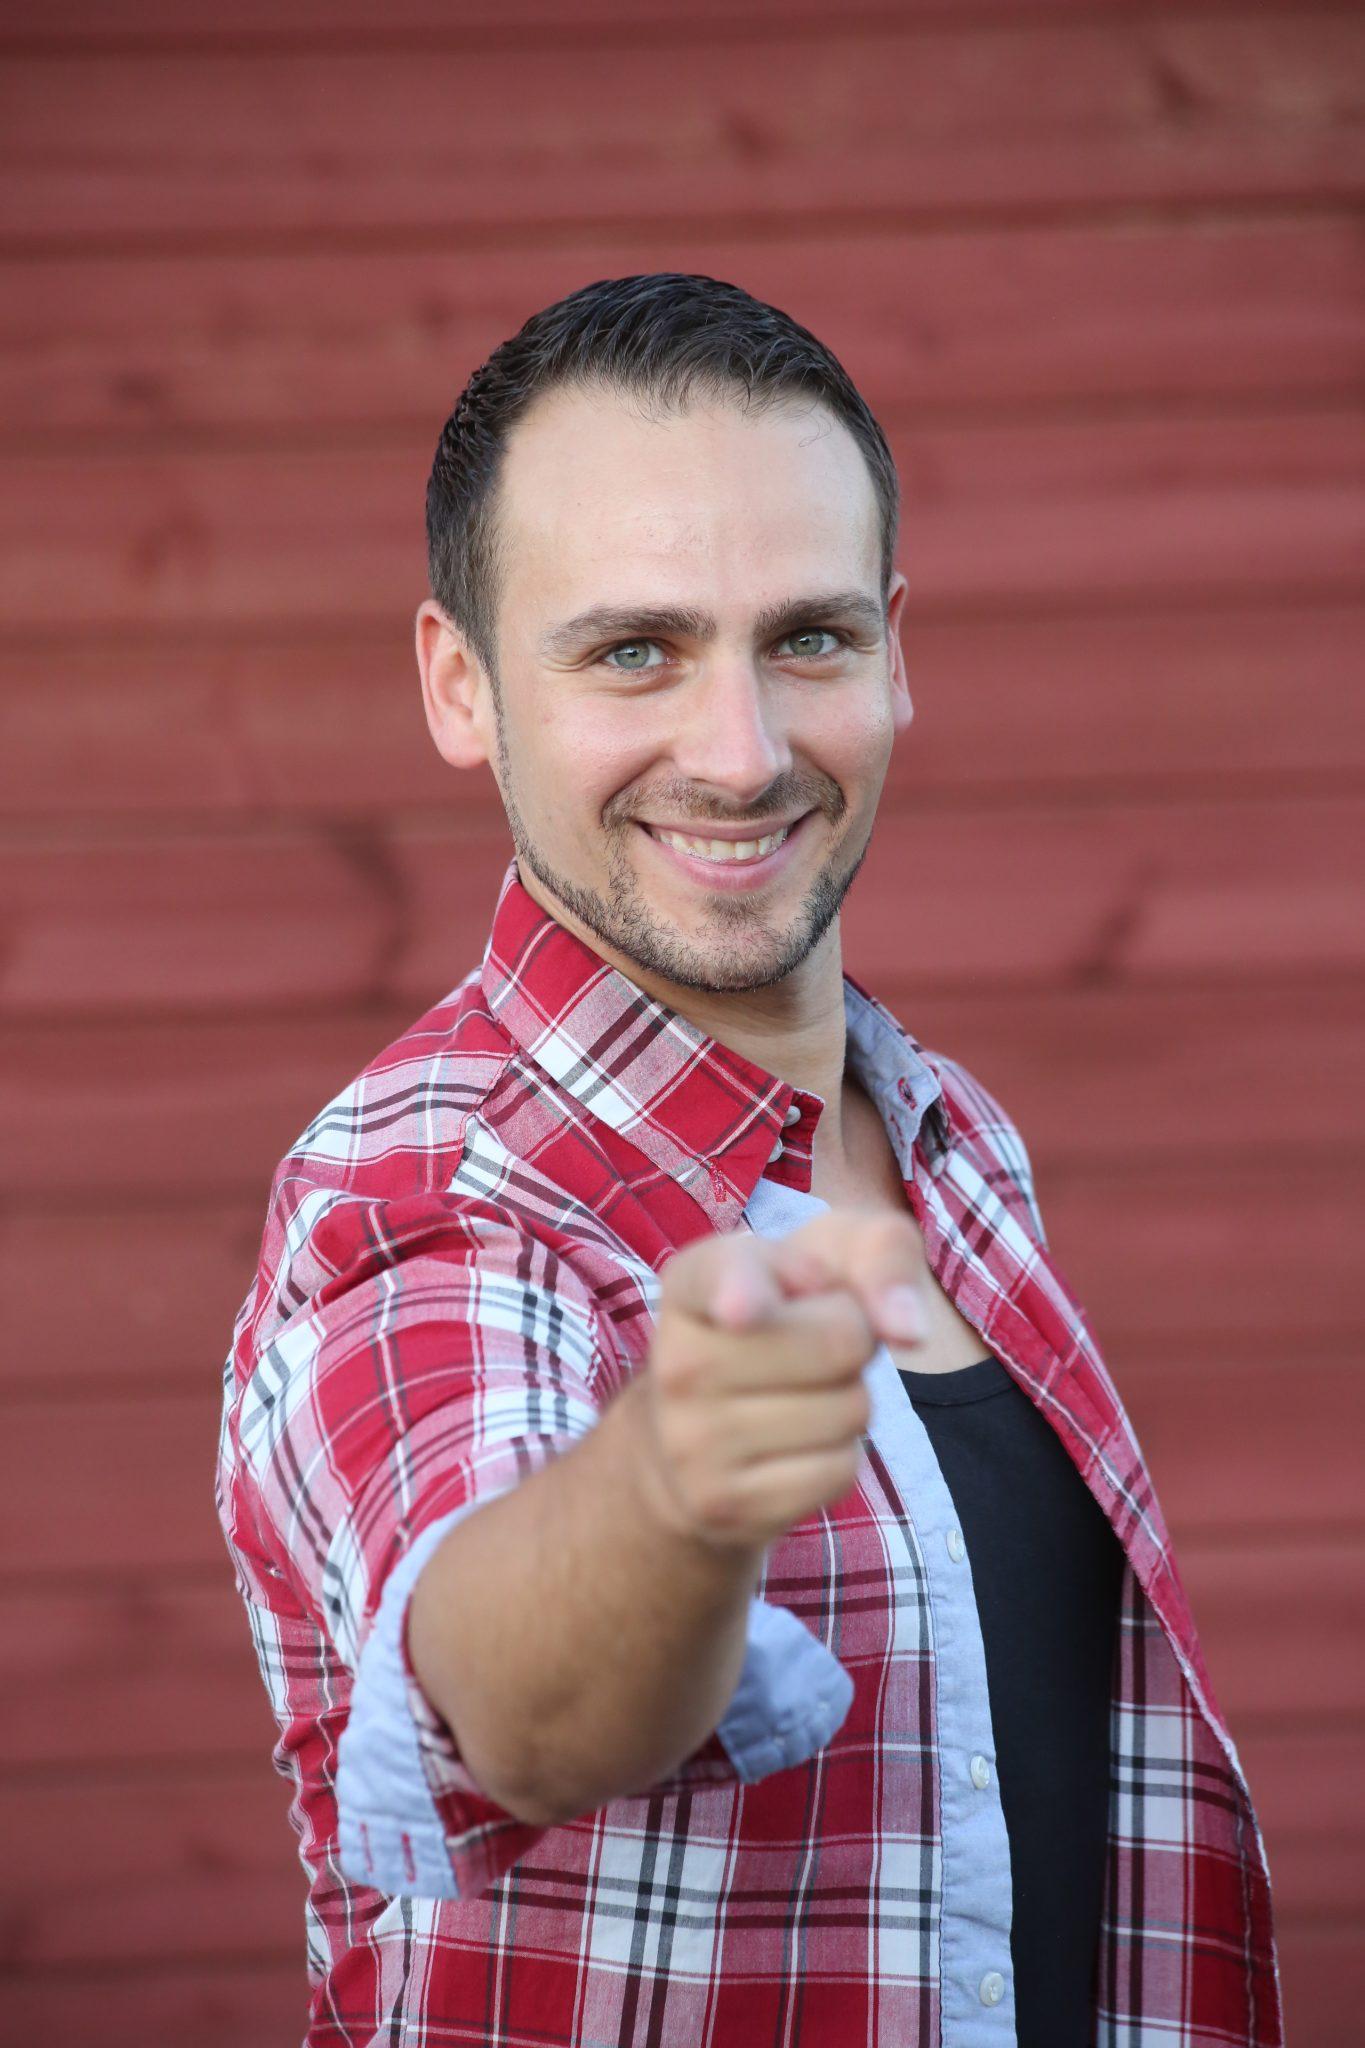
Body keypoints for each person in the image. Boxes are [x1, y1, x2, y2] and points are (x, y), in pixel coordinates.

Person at [217, 274, 1281, 2047]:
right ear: (461, 686)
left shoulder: (946, 1132)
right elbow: (504, 1709)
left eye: (807, 640)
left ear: (894, 653)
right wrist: (670, 1490)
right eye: (634, 650)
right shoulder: (422, 1192)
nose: (742, 752)